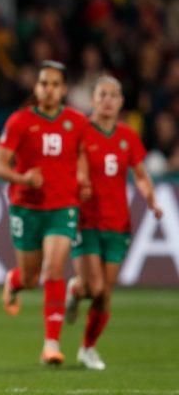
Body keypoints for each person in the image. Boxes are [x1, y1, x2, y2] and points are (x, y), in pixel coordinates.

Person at [0, 60, 90, 365]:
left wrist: (83, 180)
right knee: (32, 277)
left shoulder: (77, 122)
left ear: (63, 89)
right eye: (44, 84)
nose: (49, 90)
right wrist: (23, 178)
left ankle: (51, 344)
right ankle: (16, 280)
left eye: (55, 84)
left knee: (54, 270)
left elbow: (83, 155)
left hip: (63, 206)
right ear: (36, 88)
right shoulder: (20, 121)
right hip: (27, 207)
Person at [65, 76, 163, 370]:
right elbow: (66, 168)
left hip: (117, 223)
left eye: (113, 95)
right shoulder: (80, 132)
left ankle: (87, 348)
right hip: (86, 221)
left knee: (104, 293)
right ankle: (77, 290)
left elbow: (141, 175)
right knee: (96, 287)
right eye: (102, 94)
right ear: (92, 99)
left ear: (121, 102)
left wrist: (152, 200)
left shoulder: (127, 136)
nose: (108, 100)